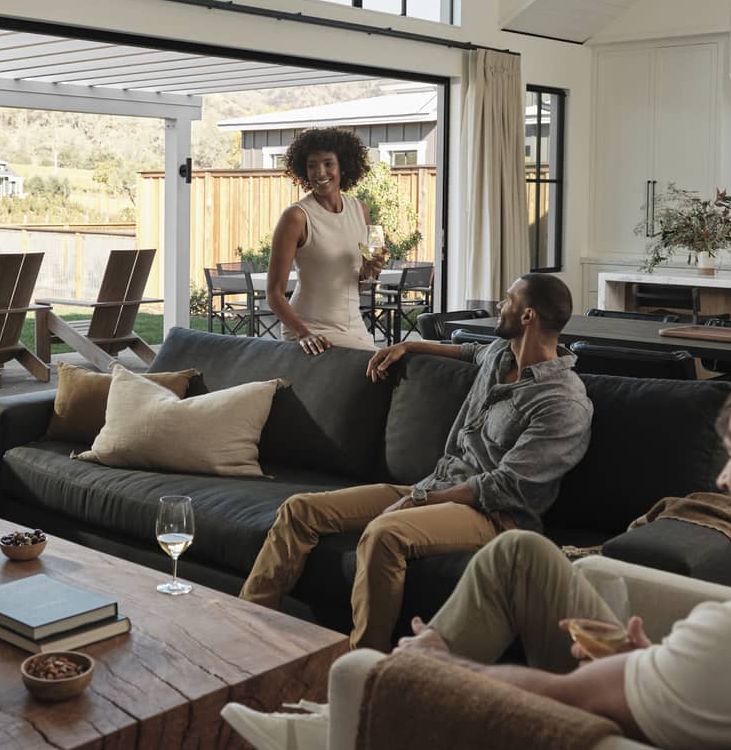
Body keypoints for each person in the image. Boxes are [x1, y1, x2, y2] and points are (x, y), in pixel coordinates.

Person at [225, 368, 731, 750]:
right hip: (687, 688)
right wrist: (650, 658)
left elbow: (560, 698)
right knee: (520, 553)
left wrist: (444, 670)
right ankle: (337, 718)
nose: (719, 481)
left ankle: (345, 723)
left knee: (424, 659)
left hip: (609, 724)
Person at [238, 273, 593, 651]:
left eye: (508, 299)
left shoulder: (563, 403)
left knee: (384, 533)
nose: (500, 306)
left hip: (493, 515)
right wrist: (410, 346)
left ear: (528, 317)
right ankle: (248, 631)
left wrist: (420, 500)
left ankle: (366, 665)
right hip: (436, 483)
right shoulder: (500, 355)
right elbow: (467, 351)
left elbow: (503, 487)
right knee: (300, 510)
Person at [265, 128, 387, 354]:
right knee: (379, 366)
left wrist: (369, 272)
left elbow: (356, 286)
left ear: (343, 165)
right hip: (311, 328)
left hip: (355, 326)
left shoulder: (360, 210)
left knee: (385, 368)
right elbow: (273, 294)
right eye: (312, 165)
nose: (320, 172)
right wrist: (304, 334)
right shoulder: (296, 216)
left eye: (328, 163)